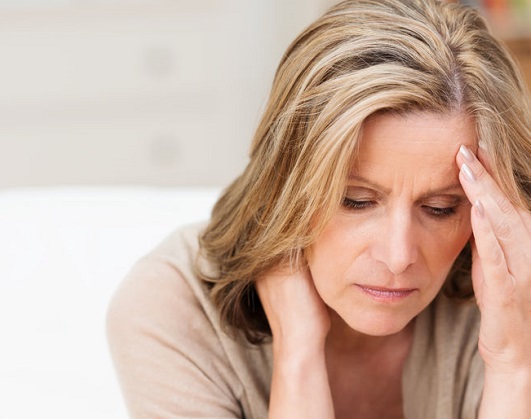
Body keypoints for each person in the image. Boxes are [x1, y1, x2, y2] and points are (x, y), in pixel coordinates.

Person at [107, 0, 531, 417]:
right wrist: (298, 355)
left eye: (440, 208)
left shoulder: (510, 294)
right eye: (356, 201)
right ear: (285, 185)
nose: (398, 256)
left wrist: (514, 366)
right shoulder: (172, 310)